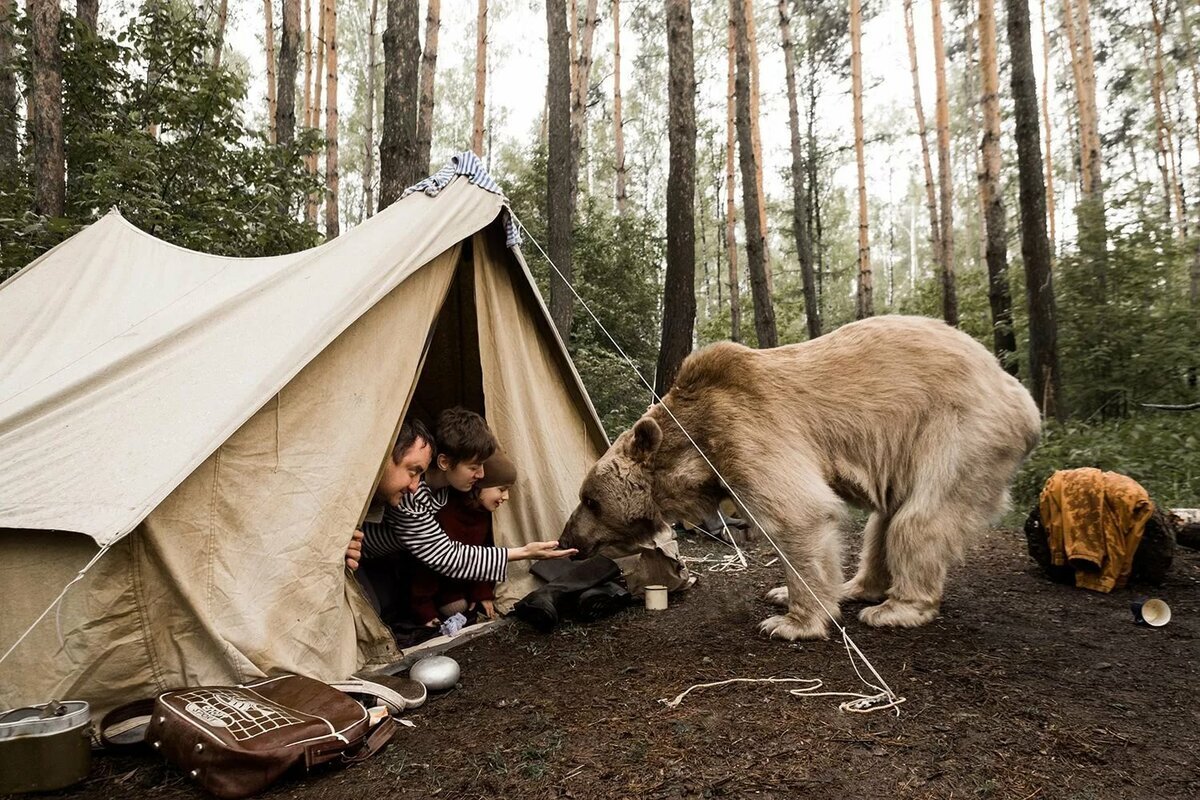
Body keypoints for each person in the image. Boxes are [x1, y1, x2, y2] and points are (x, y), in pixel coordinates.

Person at [345, 408, 574, 623]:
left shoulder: (448, 488)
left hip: (395, 556)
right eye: (474, 467)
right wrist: (524, 552)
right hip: (363, 555)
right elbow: (445, 555)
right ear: (444, 462)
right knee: (375, 611)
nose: (481, 474)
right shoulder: (409, 497)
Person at [403, 449, 517, 628]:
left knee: (466, 608)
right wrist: (424, 609)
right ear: (480, 485)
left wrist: (481, 592)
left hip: (462, 579)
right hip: (433, 582)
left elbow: (483, 552)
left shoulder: (484, 514)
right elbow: (426, 565)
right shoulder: (447, 512)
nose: (506, 497)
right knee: (456, 607)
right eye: (501, 489)